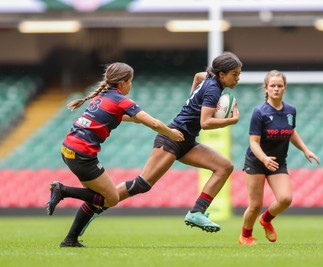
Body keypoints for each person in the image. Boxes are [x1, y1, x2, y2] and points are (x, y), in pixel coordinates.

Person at [78, 51, 242, 236]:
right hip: (172, 137)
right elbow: (205, 123)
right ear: (221, 74)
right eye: (235, 74)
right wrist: (232, 120)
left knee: (225, 166)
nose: (238, 78)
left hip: (186, 140)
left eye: (238, 74)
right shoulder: (213, 89)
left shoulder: (209, 78)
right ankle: (93, 208)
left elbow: (198, 76)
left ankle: (197, 212)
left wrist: (192, 101)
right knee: (142, 184)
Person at [47, 62, 184, 248]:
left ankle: (70, 240)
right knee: (111, 198)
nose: (131, 85)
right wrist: (171, 133)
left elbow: (118, 116)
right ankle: (62, 190)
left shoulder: (102, 96)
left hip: (69, 148)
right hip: (82, 154)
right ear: (122, 83)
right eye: (131, 81)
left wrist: (137, 120)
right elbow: (154, 123)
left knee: (94, 198)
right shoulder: (121, 100)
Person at [238, 70, 320, 245]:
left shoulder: (290, 110)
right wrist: (264, 159)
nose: (276, 89)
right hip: (256, 161)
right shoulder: (259, 112)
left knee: (285, 199)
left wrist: (305, 149)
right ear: (266, 89)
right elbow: (253, 142)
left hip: (278, 162)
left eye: (279, 86)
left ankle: (266, 220)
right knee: (255, 205)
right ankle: (245, 236)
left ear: (285, 88)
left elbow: (291, 132)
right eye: (272, 86)